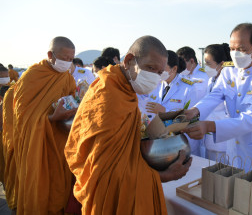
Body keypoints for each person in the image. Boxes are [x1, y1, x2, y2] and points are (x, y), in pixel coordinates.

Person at [65, 36, 192, 214]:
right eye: (150, 68)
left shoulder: (125, 89)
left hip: (127, 185)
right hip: (110, 195)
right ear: (129, 60)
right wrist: (161, 176)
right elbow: (105, 171)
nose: (154, 77)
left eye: (159, 72)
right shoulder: (107, 94)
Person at [182, 23, 252, 170]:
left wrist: (210, 126)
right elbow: (214, 96)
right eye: (232, 49)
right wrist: (195, 111)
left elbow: (251, 119)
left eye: (242, 49)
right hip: (234, 152)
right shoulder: (228, 72)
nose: (236, 54)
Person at [2, 36, 78, 213]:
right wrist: (51, 118)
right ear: (51, 54)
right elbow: (22, 119)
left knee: (58, 187)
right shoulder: (32, 76)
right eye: (64, 58)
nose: (67, 63)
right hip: (35, 142)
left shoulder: (67, 79)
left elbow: (70, 103)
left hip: (59, 141)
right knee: (38, 185)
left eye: (71, 59)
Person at [145, 50, 206, 156]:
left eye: (162, 69)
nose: (158, 72)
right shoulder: (156, 85)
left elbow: (193, 119)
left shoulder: (189, 88)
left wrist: (164, 112)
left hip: (183, 143)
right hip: (160, 142)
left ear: (174, 69)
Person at [202, 43, 231, 160]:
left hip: (223, 141)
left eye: (209, 63)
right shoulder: (211, 80)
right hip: (209, 140)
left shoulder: (230, 84)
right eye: (205, 63)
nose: (206, 67)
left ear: (221, 64)